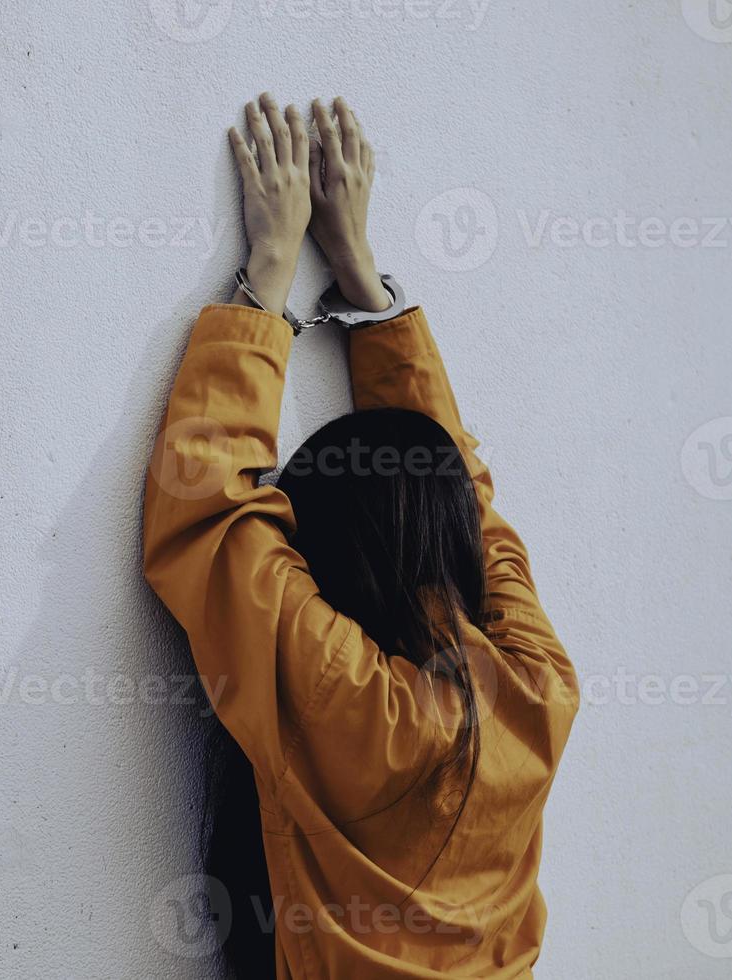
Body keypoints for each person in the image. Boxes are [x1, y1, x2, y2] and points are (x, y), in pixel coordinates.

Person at [143, 93, 579, 978]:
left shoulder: (356, 703)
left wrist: (267, 276)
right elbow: (469, 506)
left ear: (327, 551)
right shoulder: (538, 691)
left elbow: (212, 517)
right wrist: (362, 279)